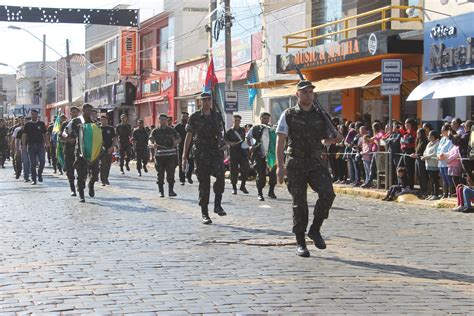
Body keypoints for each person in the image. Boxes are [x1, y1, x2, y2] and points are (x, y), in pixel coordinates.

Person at [276, 80, 336, 258]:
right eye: (304, 92)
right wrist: (280, 166)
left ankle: (315, 229)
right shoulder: (288, 115)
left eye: (310, 92)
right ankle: (301, 242)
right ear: (297, 95)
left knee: (328, 194)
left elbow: (326, 139)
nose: (308, 95)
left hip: (315, 162)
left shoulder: (320, 115)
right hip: (295, 163)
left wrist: (334, 138)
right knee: (299, 203)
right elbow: (280, 141)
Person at [182, 92, 227, 224]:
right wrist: (184, 156)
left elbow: (220, 133)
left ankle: (217, 204)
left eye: (209, 99)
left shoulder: (216, 115)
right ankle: (205, 213)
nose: (207, 102)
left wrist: (223, 145)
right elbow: (189, 136)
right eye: (204, 100)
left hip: (215, 151)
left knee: (220, 175)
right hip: (200, 153)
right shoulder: (195, 117)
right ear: (200, 102)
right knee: (204, 183)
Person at [64, 104, 101, 202]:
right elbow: (64, 132)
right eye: (88, 110)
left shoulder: (94, 123)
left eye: (91, 110)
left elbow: (98, 137)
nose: (89, 112)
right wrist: (69, 138)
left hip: (93, 152)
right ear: (83, 110)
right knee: (81, 174)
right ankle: (81, 194)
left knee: (96, 174)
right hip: (80, 152)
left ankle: (91, 184)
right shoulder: (75, 121)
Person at [246, 112, 277, 201]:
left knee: (272, 174)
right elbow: (248, 138)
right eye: (264, 118)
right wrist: (251, 146)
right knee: (261, 173)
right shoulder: (255, 128)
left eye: (267, 118)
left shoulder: (273, 129)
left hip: (271, 154)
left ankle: (271, 191)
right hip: (259, 154)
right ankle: (260, 193)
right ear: (260, 118)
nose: (265, 120)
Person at [150, 114, 181, 198]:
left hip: (171, 155)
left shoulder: (172, 130)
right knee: (160, 174)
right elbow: (150, 141)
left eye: (165, 120)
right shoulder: (155, 131)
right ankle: (161, 191)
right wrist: (153, 145)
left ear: (167, 121)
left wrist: (175, 142)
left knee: (171, 174)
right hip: (160, 156)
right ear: (159, 120)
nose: (163, 121)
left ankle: (171, 191)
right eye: (161, 119)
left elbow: (179, 138)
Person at [22, 109, 49, 185]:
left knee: (42, 161)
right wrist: (24, 145)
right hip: (31, 145)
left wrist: (47, 143)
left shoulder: (41, 124)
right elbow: (24, 135)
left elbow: (45, 134)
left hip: (40, 145)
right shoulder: (27, 124)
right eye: (32, 114)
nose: (34, 115)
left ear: (37, 115)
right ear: (31, 115)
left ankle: (39, 173)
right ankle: (34, 179)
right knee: (33, 163)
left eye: (35, 114)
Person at [224, 114, 250, 195]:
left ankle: (243, 185)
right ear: (233, 121)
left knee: (245, 169)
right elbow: (225, 141)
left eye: (238, 121)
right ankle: (234, 187)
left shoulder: (242, 130)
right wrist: (230, 143)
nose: (237, 122)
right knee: (233, 171)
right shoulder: (229, 131)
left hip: (242, 152)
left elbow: (245, 139)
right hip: (233, 153)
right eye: (235, 120)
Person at [60, 107, 80, 196]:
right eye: (73, 112)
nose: (75, 114)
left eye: (76, 112)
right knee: (70, 171)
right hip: (68, 150)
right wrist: (68, 140)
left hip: (80, 151)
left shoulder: (82, 124)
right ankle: (73, 189)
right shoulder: (66, 124)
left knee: (81, 170)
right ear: (70, 113)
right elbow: (61, 137)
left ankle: (80, 186)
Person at [174, 112, 194, 185]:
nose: (184, 118)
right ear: (181, 118)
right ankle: (182, 179)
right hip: (181, 147)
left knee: (191, 162)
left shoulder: (191, 126)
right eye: (183, 117)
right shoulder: (177, 127)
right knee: (181, 163)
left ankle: (188, 175)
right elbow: (173, 136)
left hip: (190, 146)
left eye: (186, 117)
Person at [422, 130, 440, 200]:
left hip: (434, 164)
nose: (428, 137)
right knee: (431, 180)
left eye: (429, 135)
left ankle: (436, 194)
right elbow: (425, 151)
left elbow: (435, 153)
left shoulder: (437, 144)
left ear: (433, 136)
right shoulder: (429, 143)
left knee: (435, 179)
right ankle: (432, 193)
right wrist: (424, 156)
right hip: (428, 164)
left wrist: (427, 156)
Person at [399, 118, 417, 189]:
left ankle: (410, 186)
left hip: (410, 151)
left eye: (408, 124)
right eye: (405, 124)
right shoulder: (406, 132)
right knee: (400, 168)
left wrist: (403, 140)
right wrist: (403, 140)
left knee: (409, 170)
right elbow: (402, 141)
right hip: (404, 152)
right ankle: (404, 184)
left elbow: (409, 141)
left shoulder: (414, 132)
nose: (406, 125)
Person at [437, 124, 454, 198]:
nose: (442, 131)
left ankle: (451, 194)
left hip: (447, 162)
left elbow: (451, 150)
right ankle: (445, 193)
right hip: (441, 162)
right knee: (443, 179)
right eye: (441, 130)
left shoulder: (451, 139)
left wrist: (444, 155)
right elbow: (438, 149)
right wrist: (438, 155)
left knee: (448, 178)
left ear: (448, 131)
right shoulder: (442, 139)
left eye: (443, 130)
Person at [99, 115, 116, 186]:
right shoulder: (98, 128)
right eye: (101, 119)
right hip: (100, 148)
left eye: (104, 119)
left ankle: (106, 178)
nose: (103, 121)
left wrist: (112, 147)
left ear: (107, 120)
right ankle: (103, 179)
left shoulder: (110, 128)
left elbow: (114, 138)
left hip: (109, 148)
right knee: (102, 164)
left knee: (108, 164)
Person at [411, 128, 429, 197]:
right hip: (417, 160)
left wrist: (417, 155)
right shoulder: (418, 141)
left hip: (421, 160)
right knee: (418, 175)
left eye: (418, 133)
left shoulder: (425, 141)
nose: (417, 135)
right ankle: (421, 189)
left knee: (423, 176)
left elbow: (423, 152)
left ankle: (424, 190)